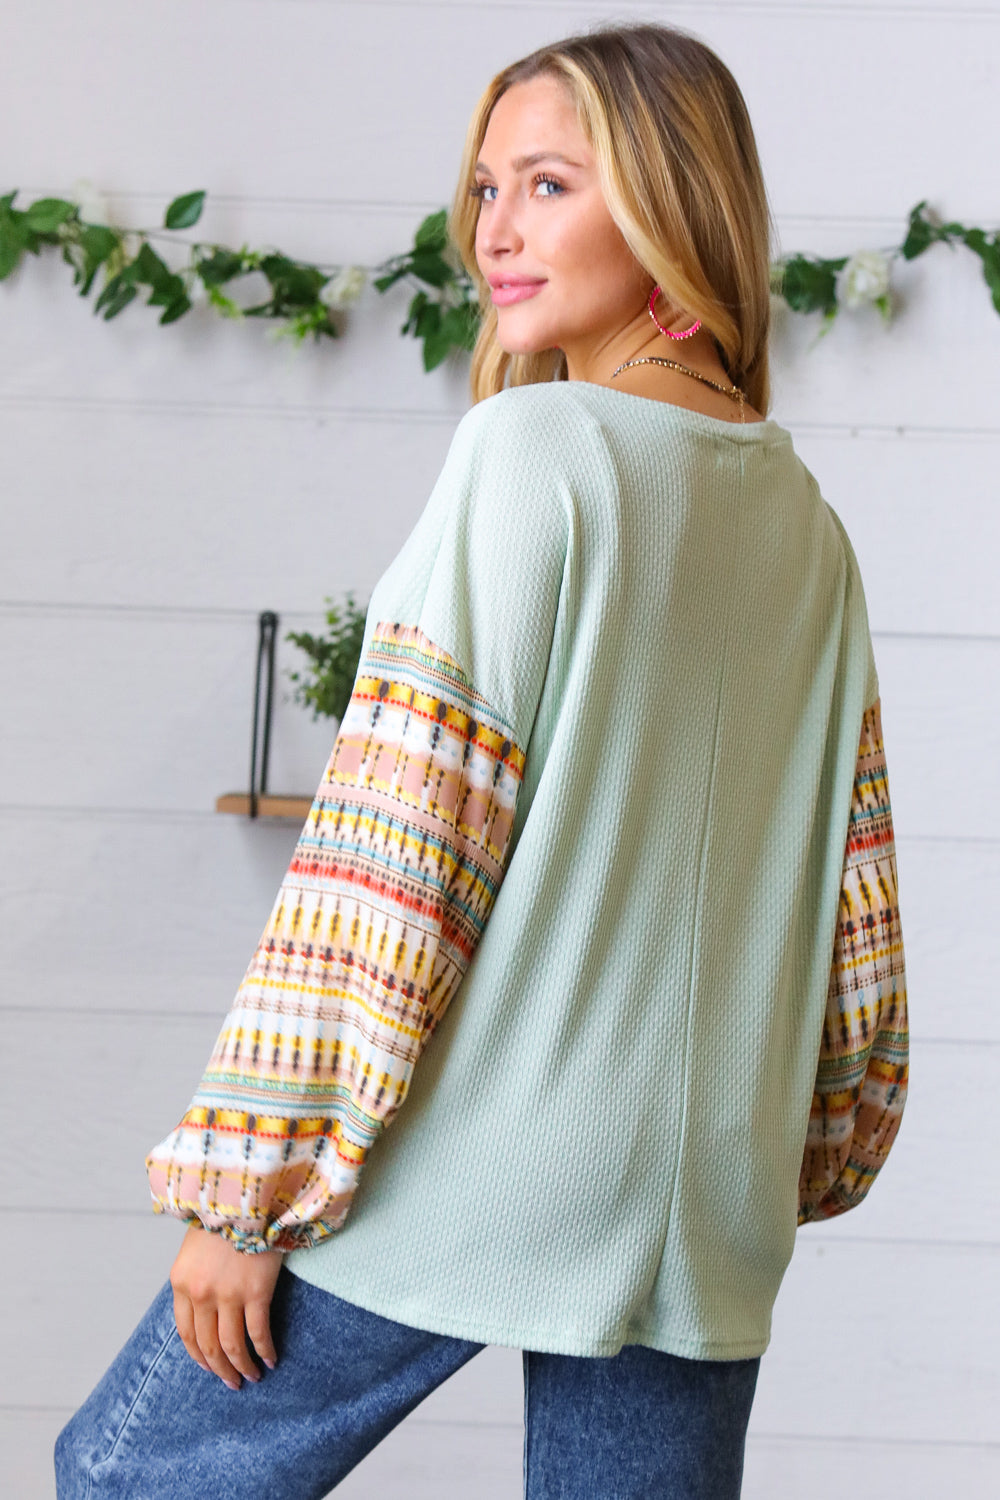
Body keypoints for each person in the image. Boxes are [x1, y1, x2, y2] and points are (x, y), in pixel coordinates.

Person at [55, 20, 909, 1499]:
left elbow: (394, 852)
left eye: (549, 185)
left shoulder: (537, 453)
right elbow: (857, 895)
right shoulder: (808, 525)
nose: (495, 233)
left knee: (130, 1477)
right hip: (708, 1191)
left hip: (490, 1149)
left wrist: (248, 1195)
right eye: (485, 188)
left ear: (670, 204)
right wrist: (816, 1143)